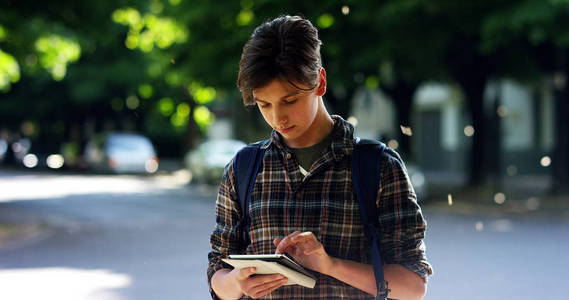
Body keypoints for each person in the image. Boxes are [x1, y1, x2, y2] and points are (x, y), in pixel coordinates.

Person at [207, 15, 433, 300]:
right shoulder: (244, 168)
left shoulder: (378, 167)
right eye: (264, 104)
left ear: (320, 83)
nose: (278, 117)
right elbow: (218, 271)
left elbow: (413, 285)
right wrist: (238, 282)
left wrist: (332, 266)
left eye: (290, 100)